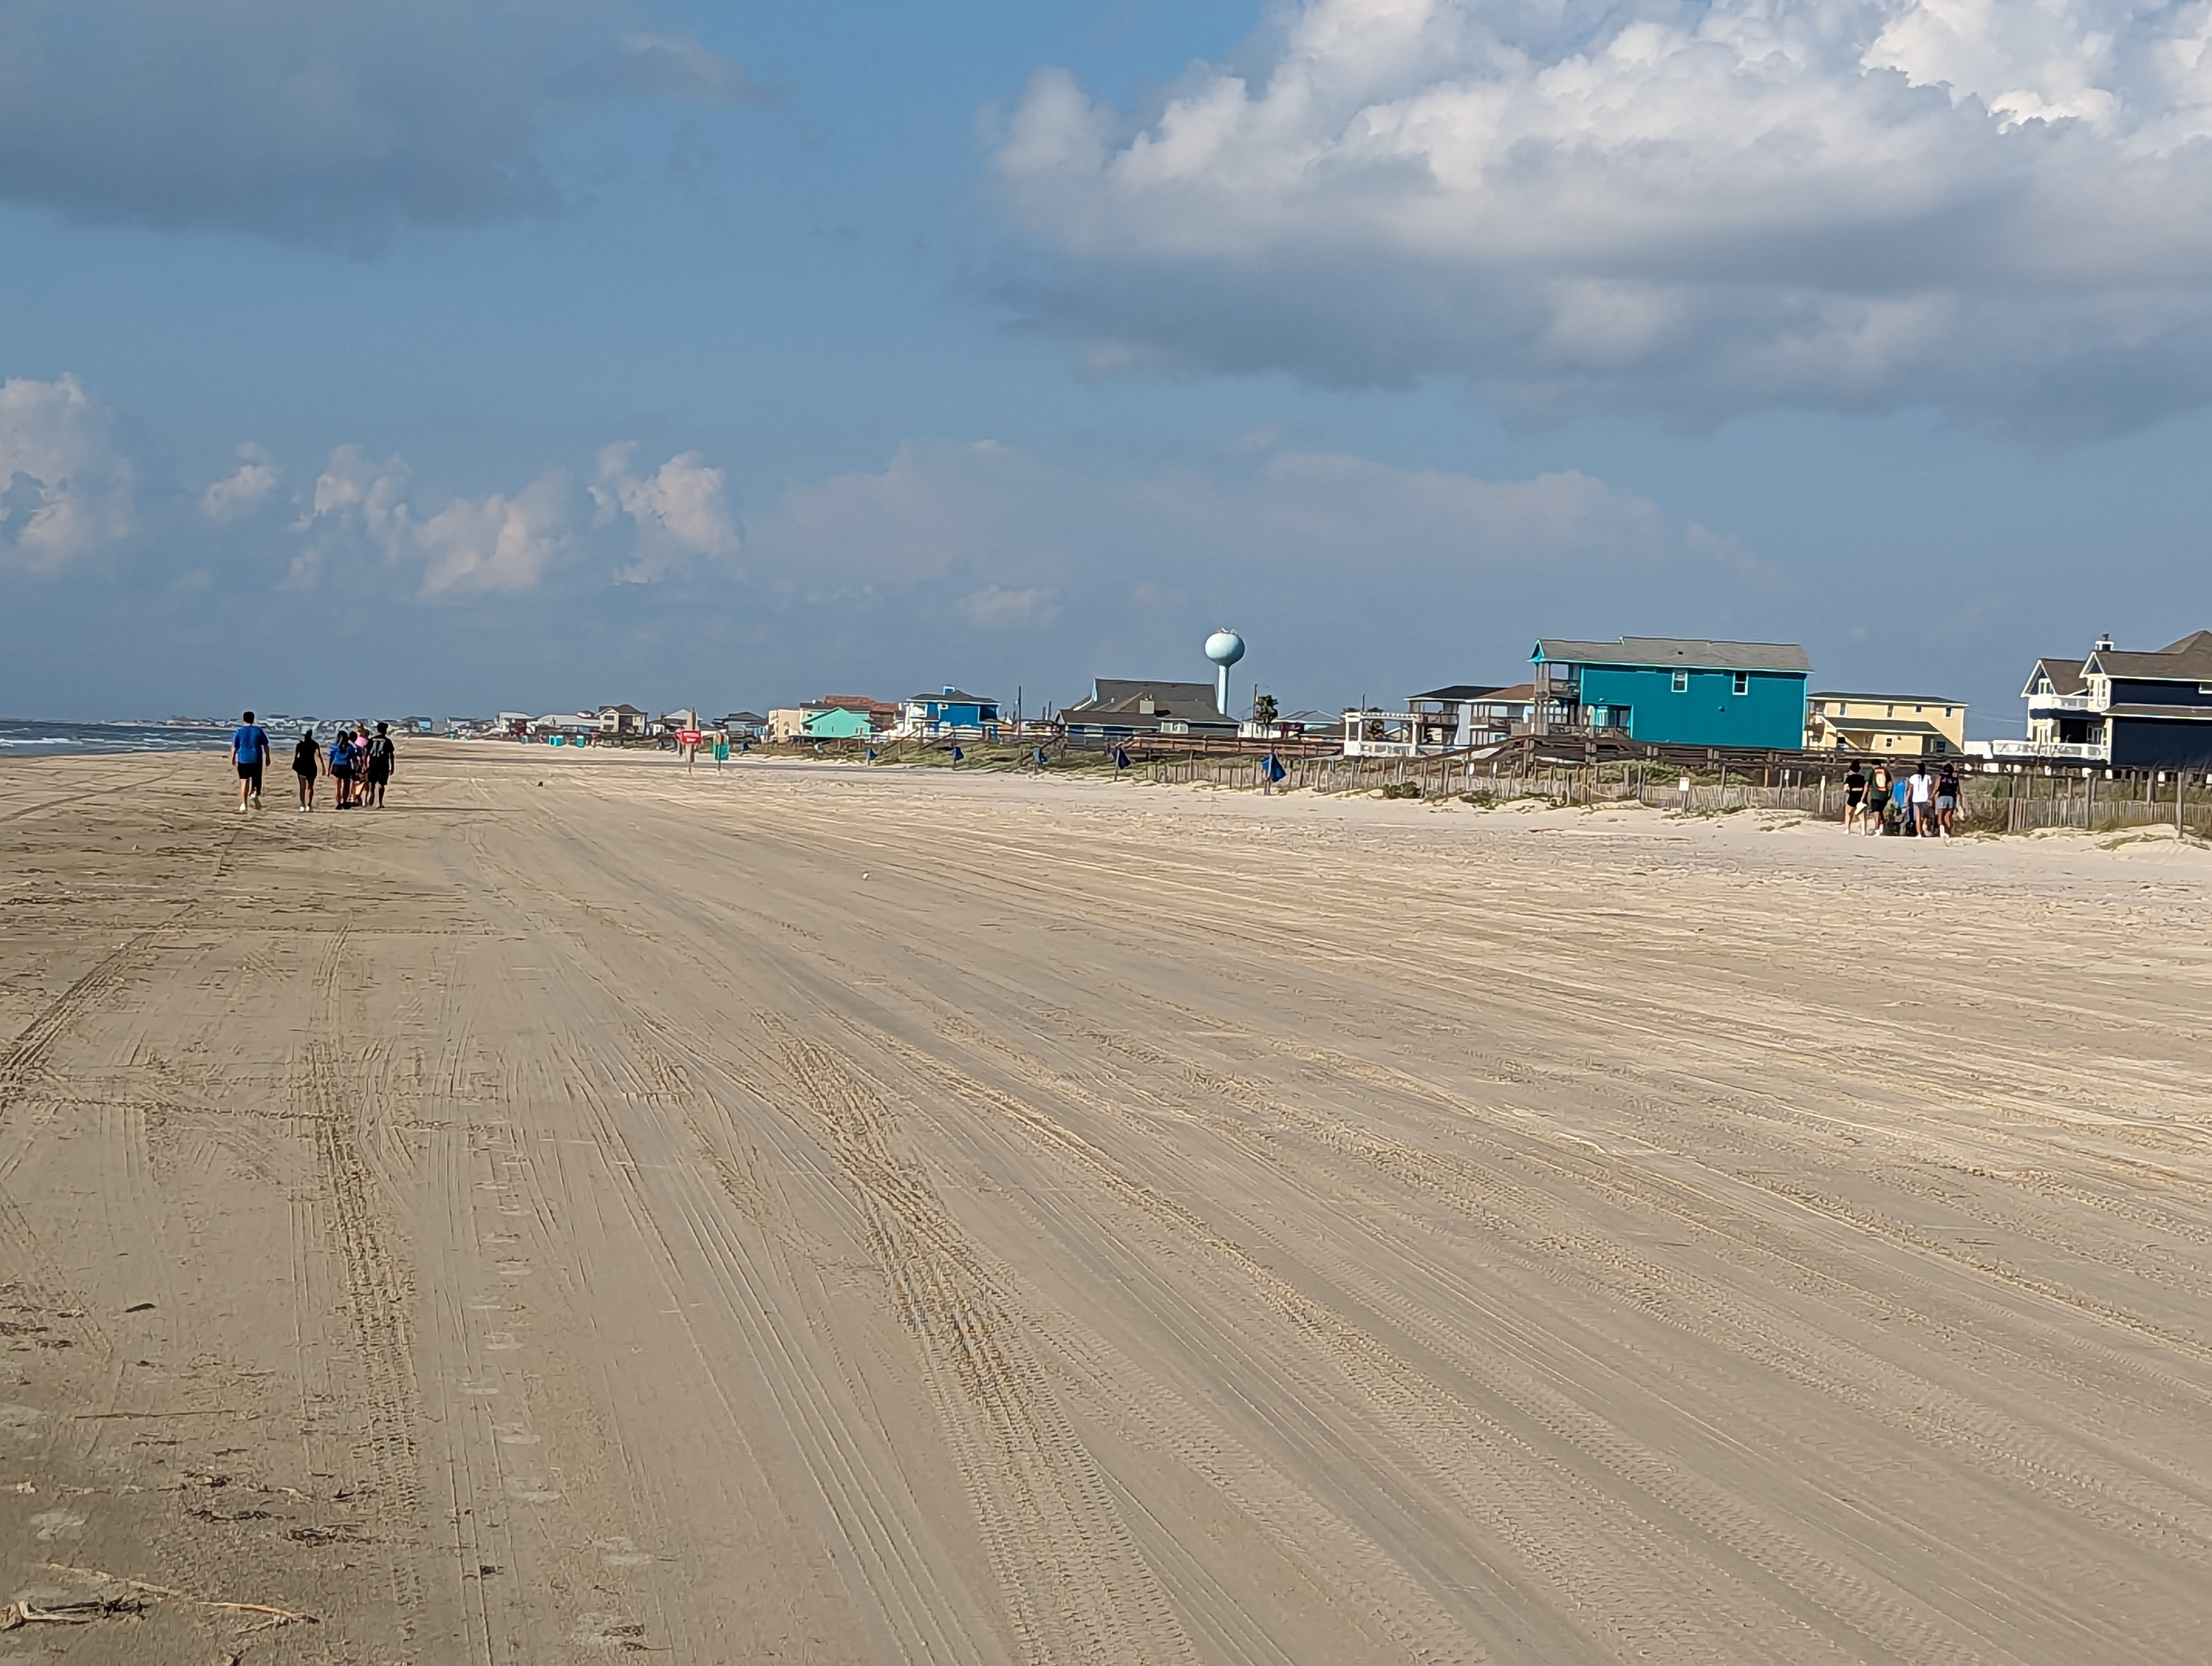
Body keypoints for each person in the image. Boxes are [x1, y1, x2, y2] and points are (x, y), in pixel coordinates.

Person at [231, 709, 269, 812]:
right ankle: (255, 794)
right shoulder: (258, 731)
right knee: (257, 781)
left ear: (244, 719)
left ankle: (244, 804)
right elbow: (266, 745)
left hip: (243, 759)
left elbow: (234, 747)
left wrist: (233, 758)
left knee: (244, 781)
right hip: (256, 759)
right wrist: (268, 758)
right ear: (253, 719)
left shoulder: (239, 731)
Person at [364, 722, 396, 808]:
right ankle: (380, 803)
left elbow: (366, 754)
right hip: (383, 765)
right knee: (382, 784)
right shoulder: (388, 741)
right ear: (385, 731)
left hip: (373, 764)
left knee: (372, 782)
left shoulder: (371, 740)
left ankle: (372, 793)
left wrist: (365, 764)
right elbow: (391, 755)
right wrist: (393, 767)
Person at [292, 730, 320, 811]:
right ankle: (309, 805)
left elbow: (296, 756)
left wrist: (295, 764)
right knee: (310, 787)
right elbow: (319, 756)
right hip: (311, 765)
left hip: (302, 766)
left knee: (303, 787)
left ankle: (303, 805)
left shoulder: (300, 745)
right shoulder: (315, 744)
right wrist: (324, 767)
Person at [1907, 760, 1936, 837]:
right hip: (1925, 798)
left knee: (1918, 816)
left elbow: (1911, 789)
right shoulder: (1928, 777)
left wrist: (1907, 798)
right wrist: (1931, 797)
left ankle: (1919, 833)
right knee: (1926, 815)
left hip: (1916, 798)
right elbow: (1930, 787)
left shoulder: (1914, 777)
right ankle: (1925, 823)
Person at [329, 728, 356, 808]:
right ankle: (345, 801)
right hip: (346, 766)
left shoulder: (335, 747)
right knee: (346, 785)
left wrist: (329, 769)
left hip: (337, 766)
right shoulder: (350, 747)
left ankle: (338, 803)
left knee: (338, 786)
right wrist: (355, 768)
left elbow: (331, 758)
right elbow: (354, 759)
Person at [1935, 759, 1960, 838]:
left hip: (1942, 796)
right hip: (1952, 797)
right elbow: (1958, 791)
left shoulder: (1941, 778)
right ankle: (1949, 832)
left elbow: (1937, 788)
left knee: (1941, 815)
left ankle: (1942, 832)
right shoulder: (1955, 779)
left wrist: (1932, 795)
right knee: (1948, 816)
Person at [1844, 762, 1868, 834]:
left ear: (1851, 770)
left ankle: (1847, 829)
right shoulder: (1863, 778)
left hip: (1852, 797)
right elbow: (1866, 788)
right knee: (1862, 816)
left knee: (1849, 814)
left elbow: (1846, 789)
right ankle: (1863, 830)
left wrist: (1849, 791)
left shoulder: (1849, 778)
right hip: (1861, 798)